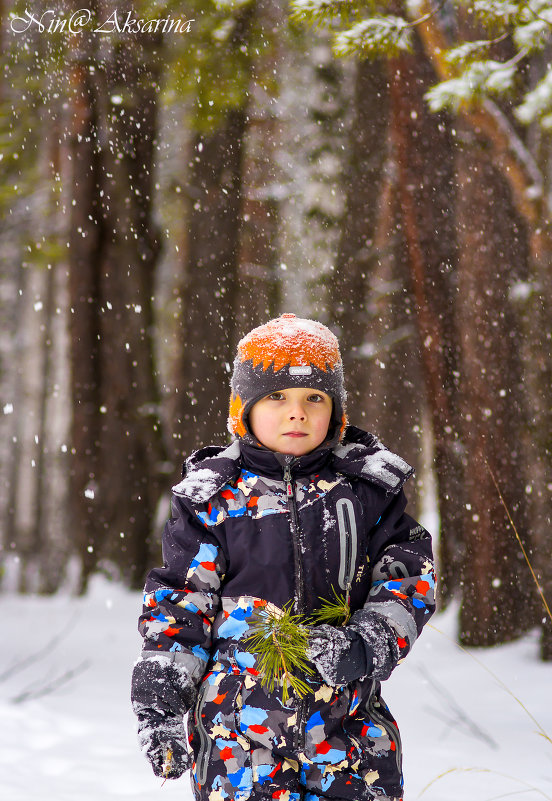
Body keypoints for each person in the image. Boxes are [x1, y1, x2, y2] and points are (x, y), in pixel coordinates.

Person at [131, 313, 436, 801]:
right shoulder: (214, 500)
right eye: (276, 397)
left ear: (334, 411)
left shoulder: (365, 492)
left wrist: (368, 641)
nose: (297, 413)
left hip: (349, 734)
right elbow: (182, 601)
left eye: (314, 398)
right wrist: (162, 704)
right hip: (239, 739)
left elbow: (409, 578)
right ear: (243, 410)